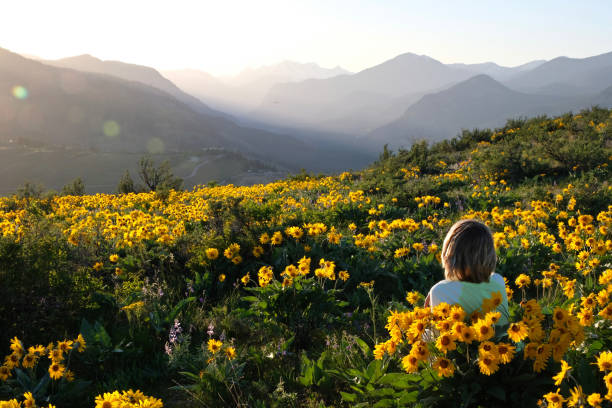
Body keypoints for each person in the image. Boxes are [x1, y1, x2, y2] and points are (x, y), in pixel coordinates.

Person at [424, 219, 509, 326]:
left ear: (450, 253)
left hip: (457, 342)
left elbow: (437, 336)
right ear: (490, 254)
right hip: (501, 342)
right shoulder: (498, 281)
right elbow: (503, 327)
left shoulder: (440, 291)